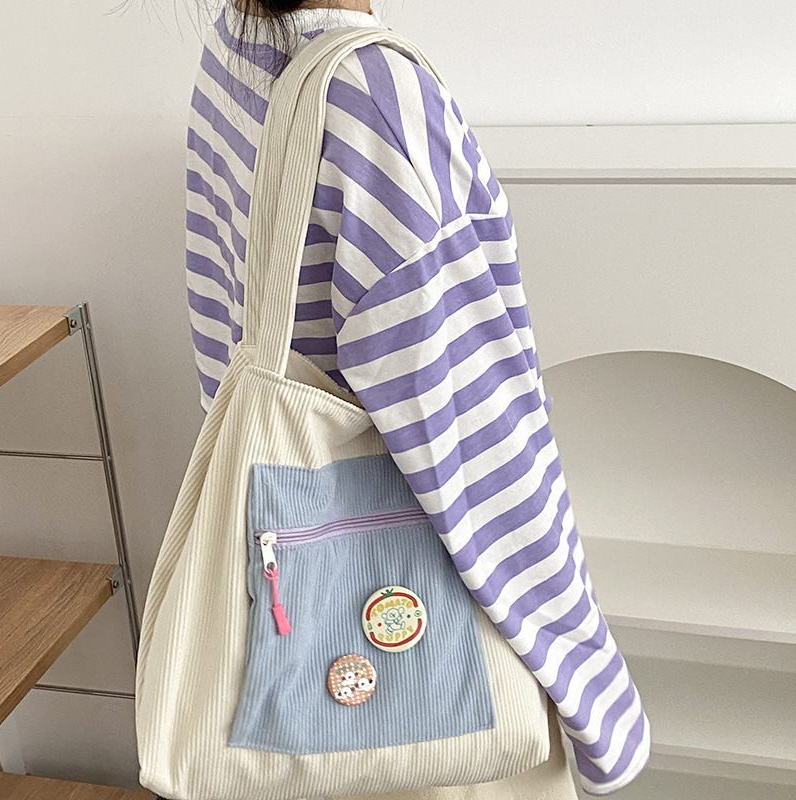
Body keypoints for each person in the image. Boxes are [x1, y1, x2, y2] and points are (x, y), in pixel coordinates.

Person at [184, 1, 651, 797]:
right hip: (432, 664)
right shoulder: (376, 98)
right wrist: (595, 700)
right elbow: (479, 453)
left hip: (286, 597)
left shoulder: (232, 47)